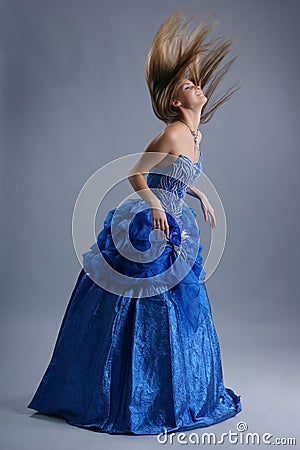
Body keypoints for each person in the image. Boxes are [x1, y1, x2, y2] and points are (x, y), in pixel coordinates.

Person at [27, 10, 242, 435]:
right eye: (187, 85)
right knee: (144, 307)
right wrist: (157, 206)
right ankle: (126, 395)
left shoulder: (195, 136)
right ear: (176, 101)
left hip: (176, 221)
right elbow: (136, 174)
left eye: (196, 83)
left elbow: (175, 176)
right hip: (150, 225)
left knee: (182, 308)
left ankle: (172, 393)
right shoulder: (173, 132)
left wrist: (195, 194)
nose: (197, 87)